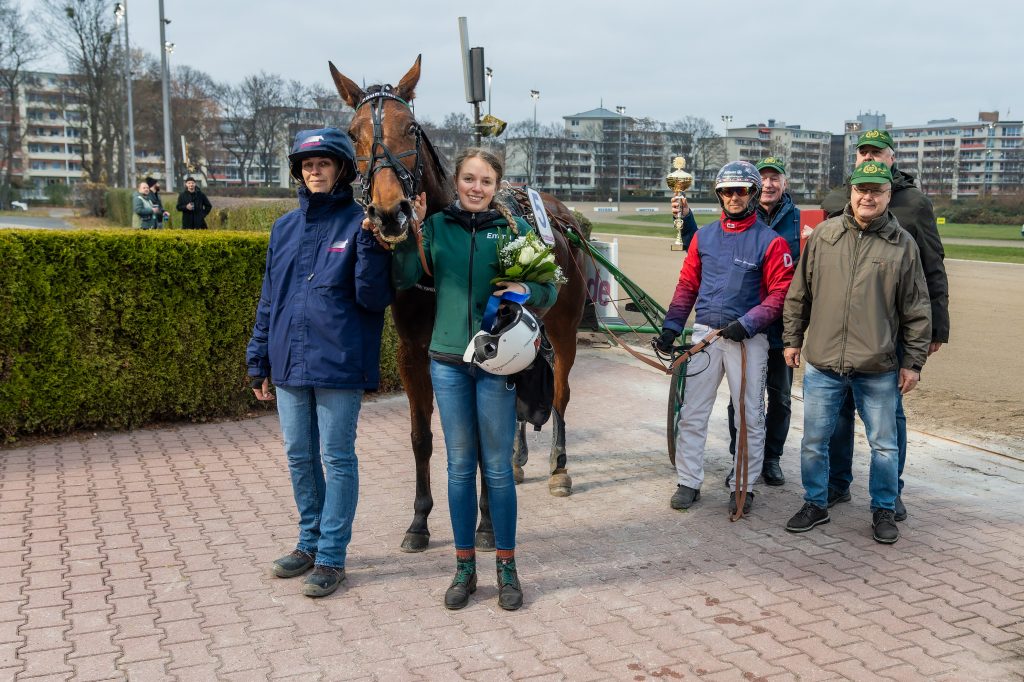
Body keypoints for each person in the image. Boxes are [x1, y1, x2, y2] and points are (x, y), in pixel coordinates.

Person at [390, 147, 557, 612]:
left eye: (485, 180)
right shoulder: (438, 227)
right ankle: (465, 567)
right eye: (468, 179)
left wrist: (529, 289)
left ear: (496, 184)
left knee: (499, 468)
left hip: (496, 363)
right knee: (460, 467)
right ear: (457, 181)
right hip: (446, 363)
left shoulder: (513, 230)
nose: (476, 187)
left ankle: (507, 566)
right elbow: (404, 278)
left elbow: (550, 284)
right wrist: (412, 232)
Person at [246, 128, 393, 598]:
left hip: (338, 360)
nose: (314, 171)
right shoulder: (283, 228)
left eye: (323, 163)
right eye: (307, 165)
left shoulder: (360, 224)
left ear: (342, 170)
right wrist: (258, 357)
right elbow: (270, 297)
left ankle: (331, 556)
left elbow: (373, 300)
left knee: (337, 457)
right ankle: (308, 543)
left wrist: (371, 247)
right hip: (288, 359)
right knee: (299, 456)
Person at [783, 160, 931, 545]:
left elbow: (917, 309)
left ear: (887, 196)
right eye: (861, 189)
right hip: (824, 363)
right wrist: (792, 339)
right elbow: (800, 293)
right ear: (852, 192)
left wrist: (913, 362)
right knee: (814, 441)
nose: (868, 196)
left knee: (884, 445)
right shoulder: (825, 236)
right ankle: (815, 503)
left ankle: (884, 508)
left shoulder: (903, 245)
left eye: (876, 191)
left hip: (878, 365)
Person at [820, 129, 949, 521]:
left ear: (892, 158)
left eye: (877, 152)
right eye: (863, 152)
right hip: (839, 331)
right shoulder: (836, 200)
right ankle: (838, 483)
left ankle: (891, 491)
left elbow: (933, 265)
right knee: (839, 413)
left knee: (888, 418)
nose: (868, 156)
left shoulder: (914, 204)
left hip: (887, 330)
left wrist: (936, 328)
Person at [654, 161, 794, 516]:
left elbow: (780, 294)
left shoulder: (772, 241)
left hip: (748, 341)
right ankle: (688, 481)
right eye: (727, 191)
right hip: (705, 336)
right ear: (719, 194)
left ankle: (743, 485)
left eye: (741, 191)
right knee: (692, 412)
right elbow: (688, 285)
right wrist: (672, 326)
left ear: (751, 193)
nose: (734, 197)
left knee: (748, 415)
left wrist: (747, 324)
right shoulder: (704, 236)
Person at [722, 157, 801, 487]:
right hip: (743, 324)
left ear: (784, 183)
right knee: (739, 398)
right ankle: (739, 457)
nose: (768, 184)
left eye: (775, 178)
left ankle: (771, 458)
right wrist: (685, 223)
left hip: (782, 326)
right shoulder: (736, 216)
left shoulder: (801, 222)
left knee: (779, 397)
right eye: (764, 178)